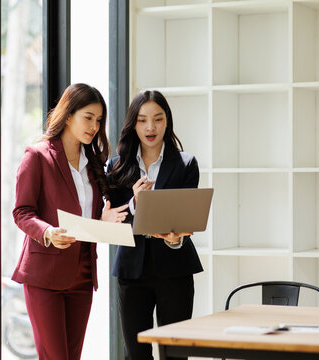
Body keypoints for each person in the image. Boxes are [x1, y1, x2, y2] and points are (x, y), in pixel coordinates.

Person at [12, 83, 128, 360]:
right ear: (67, 115)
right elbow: (22, 211)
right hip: (44, 275)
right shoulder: (37, 156)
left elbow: (89, 216)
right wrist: (49, 232)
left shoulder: (95, 163)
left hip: (83, 274)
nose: (94, 126)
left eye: (98, 120)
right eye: (88, 117)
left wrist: (103, 220)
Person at [107, 90, 203, 360]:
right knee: (135, 354)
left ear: (167, 122)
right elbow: (115, 220)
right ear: (132, 124)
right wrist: (137, 203)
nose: (150, 127)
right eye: (142, 120)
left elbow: (184, 219)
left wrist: (174, 238)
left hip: (175, 269)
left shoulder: (186, 164)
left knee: (175, 353)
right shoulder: (115, 167)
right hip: (132, 270)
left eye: (158, 119)